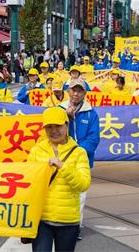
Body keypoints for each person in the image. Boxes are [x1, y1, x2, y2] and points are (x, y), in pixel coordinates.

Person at [28, 107, 90, 252]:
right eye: (49, 127)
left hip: (68, 221)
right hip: (41, 220)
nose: (53, 130)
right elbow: (28, 184)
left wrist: (63, 167)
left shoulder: (79, 153)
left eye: (58, 126)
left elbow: (83, 184)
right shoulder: (36, 151)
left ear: (67, 125)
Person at [59, 79, 100, 239]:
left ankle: (75, 228)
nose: (75, 94)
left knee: (80, 195)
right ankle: (59, 224)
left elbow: (94, 139)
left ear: (84, 93)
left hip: (82, 161)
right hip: (61, 160)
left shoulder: (91, 113)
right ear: (68, 91)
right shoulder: (59, 109)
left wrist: (76, 152)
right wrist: (68, 118)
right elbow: (53, 132)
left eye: (79, 91)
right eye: (73, 90)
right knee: (61, 192)